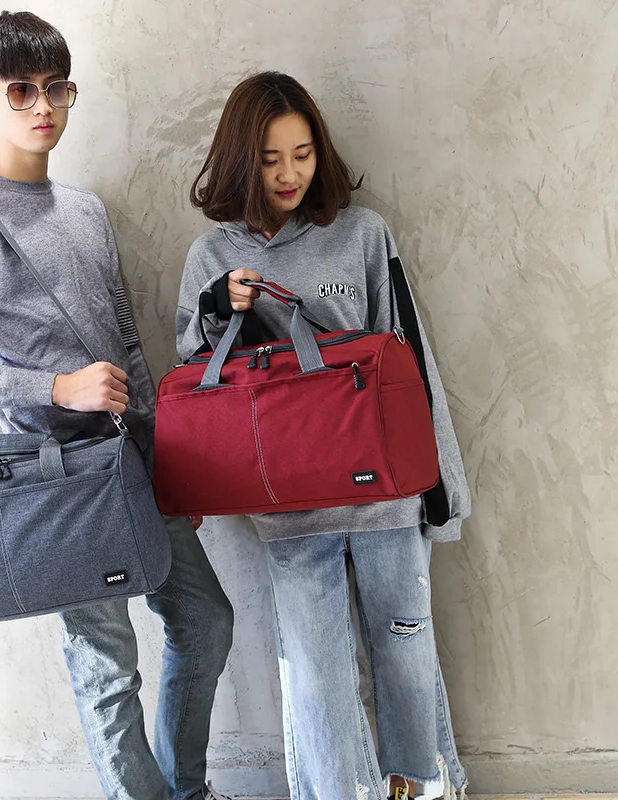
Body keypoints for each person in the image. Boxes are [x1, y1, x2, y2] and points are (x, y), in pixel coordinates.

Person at [0, 11, 234, 800]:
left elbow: (126, 341)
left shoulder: (85, 209)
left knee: (206, 621)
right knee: (107, 665)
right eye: (21, 90)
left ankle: (186, 790)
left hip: (131, 463)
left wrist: (167, 461)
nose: (43, 105)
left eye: (57, 88)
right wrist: (55, 387)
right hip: (54, 479)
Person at [176, 71, 471, 800]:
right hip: (291, 506)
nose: (289, 174)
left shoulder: (363, 234)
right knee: (316, 676)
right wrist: (221, 307)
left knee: (407, 652)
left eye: (302, 154)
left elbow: (410, 359)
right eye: (269, 159)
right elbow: (197, 376)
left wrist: (442, 490)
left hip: (384, 497)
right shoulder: (212, 256)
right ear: (240, 161)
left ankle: (424, 787)